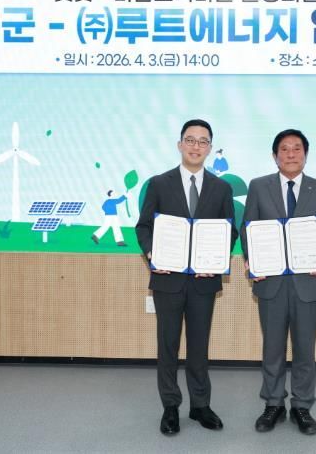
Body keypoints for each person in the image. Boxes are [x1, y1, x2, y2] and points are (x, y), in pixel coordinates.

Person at [136, 118, 238, 436]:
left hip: (204, 281)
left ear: (210, 148)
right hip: (168, 279)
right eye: (190, 140)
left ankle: (200, 406)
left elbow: (230, 231)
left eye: (203, 141)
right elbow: (144, 227)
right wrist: (152, 254)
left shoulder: (222, 188)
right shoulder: (159, 183)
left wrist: (217, 260)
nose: (196, 146)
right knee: (167, 346)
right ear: (180, 144)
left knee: (199, 346)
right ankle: (170, 407)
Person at [240, 129, 316, 435]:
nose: (291, 154)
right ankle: (273, 404)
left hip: (306, 282)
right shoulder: (259, 186)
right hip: (270, 282)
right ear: (275, 156)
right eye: (284, 149)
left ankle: (302, 407)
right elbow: (248, 228)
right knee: (272, 348)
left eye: (297, 148)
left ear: (305, 154)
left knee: (305, 348)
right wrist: (252, 260)